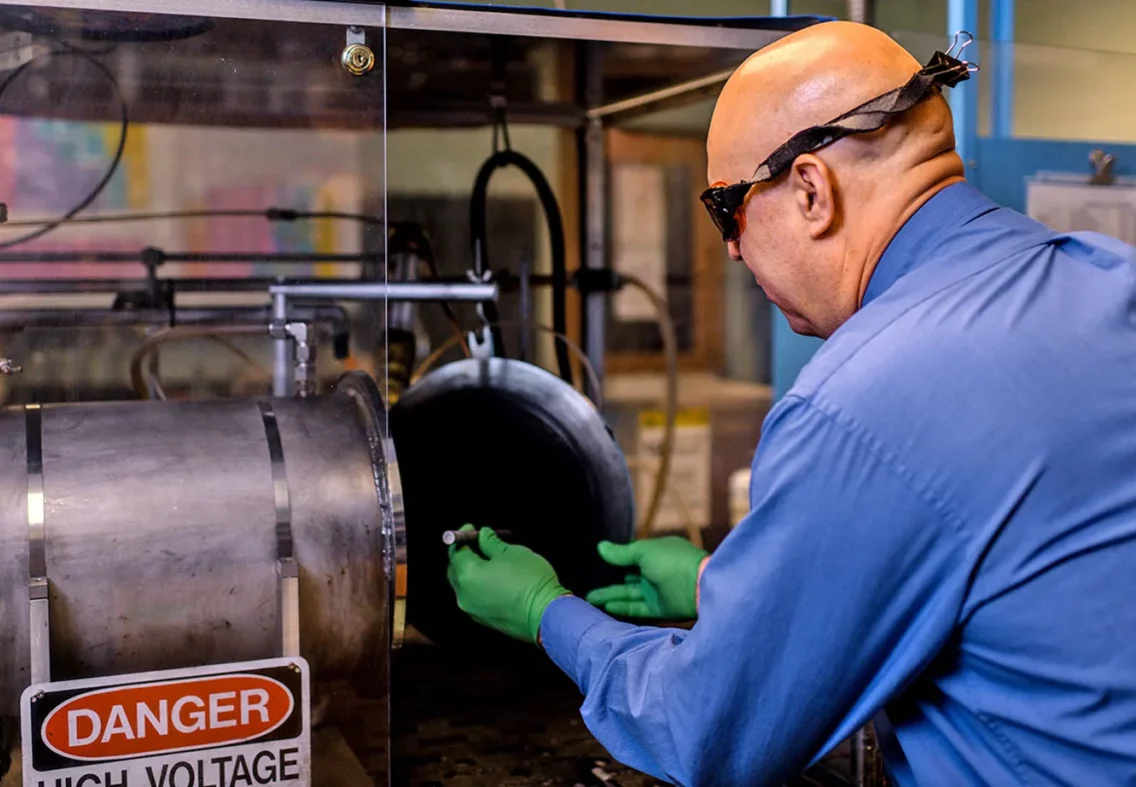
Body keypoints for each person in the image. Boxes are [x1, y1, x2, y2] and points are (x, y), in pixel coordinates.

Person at [443, 21, 1136, 785]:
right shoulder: (1111, 278)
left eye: (726, 207)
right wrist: (716, 585)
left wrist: (545, 611)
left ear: (811, 188)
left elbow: (706, 732)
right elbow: (1030, 577)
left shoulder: (863, 400)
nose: (732, 248)